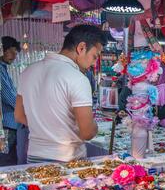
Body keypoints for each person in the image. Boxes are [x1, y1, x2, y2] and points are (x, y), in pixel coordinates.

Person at [14, 25, 106, 163]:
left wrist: (45, 126)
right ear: (81, 48)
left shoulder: (28, 71)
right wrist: (95, 127)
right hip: (67, 160)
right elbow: (87, 132)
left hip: (34, 158)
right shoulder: (78, 78)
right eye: (94, 56)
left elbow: (19, 115)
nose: (94, 63)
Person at [0, 36, 21, 166]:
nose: (14, 55)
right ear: (3, 50)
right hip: (7, 125)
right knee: (7, 161)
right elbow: (10, 98)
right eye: (11, 51)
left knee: (10, 159)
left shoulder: (3, 69)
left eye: (15, 52)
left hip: (11, 124)